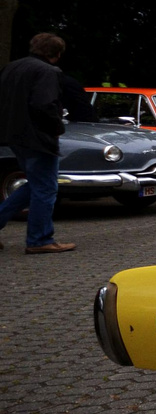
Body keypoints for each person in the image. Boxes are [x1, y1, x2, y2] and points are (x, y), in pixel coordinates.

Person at [0, 33, 75, 253]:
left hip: (13, 135)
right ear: (57, 54)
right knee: (46, 188)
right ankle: (40, 240)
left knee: (35, 184)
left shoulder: (11, 68)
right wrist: (57, 128)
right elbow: (44, 105)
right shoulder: (47, 72)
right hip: (38, 138)